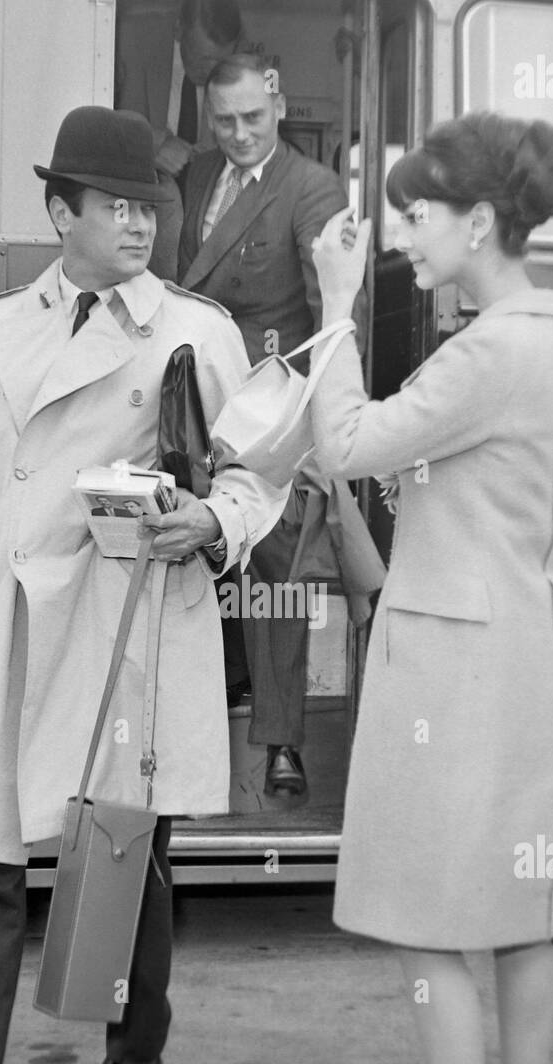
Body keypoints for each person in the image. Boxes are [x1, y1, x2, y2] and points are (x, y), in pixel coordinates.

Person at [0, 106, 284, 1064]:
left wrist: (216, 520)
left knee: (117, 850)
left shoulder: (196, 330)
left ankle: (131, 1047)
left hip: (125, 622)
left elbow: (259, 476)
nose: (140, 223)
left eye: (149, 204)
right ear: (60, 212)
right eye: (114, 205)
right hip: (8, 625)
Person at [307, 112, 553, 1064]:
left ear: (478, 221)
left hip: (451, 674)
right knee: (519, 921)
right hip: (520, 657)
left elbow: (350, 445)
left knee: (423, 922)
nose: (401, 237)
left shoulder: (489, 352)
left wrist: (333, 312)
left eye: (416, 216)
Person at [177, 51, 382, 802]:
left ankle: (282, 745)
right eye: (223, 120)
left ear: (280, 104)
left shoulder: (312, 187)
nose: (237, 134)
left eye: (252, 119)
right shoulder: (195, 176)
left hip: (268, 410)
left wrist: (304, 414)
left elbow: (336, 310)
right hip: (192, 399)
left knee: (272, 575)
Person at [115, 0, 245, 279]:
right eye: (202, 58)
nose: (211, 71)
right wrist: (152, 145)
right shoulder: (129, 46)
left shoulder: (239, 74)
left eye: (219, 62)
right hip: (136, 209)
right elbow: (98, 124)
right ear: (178, 30)